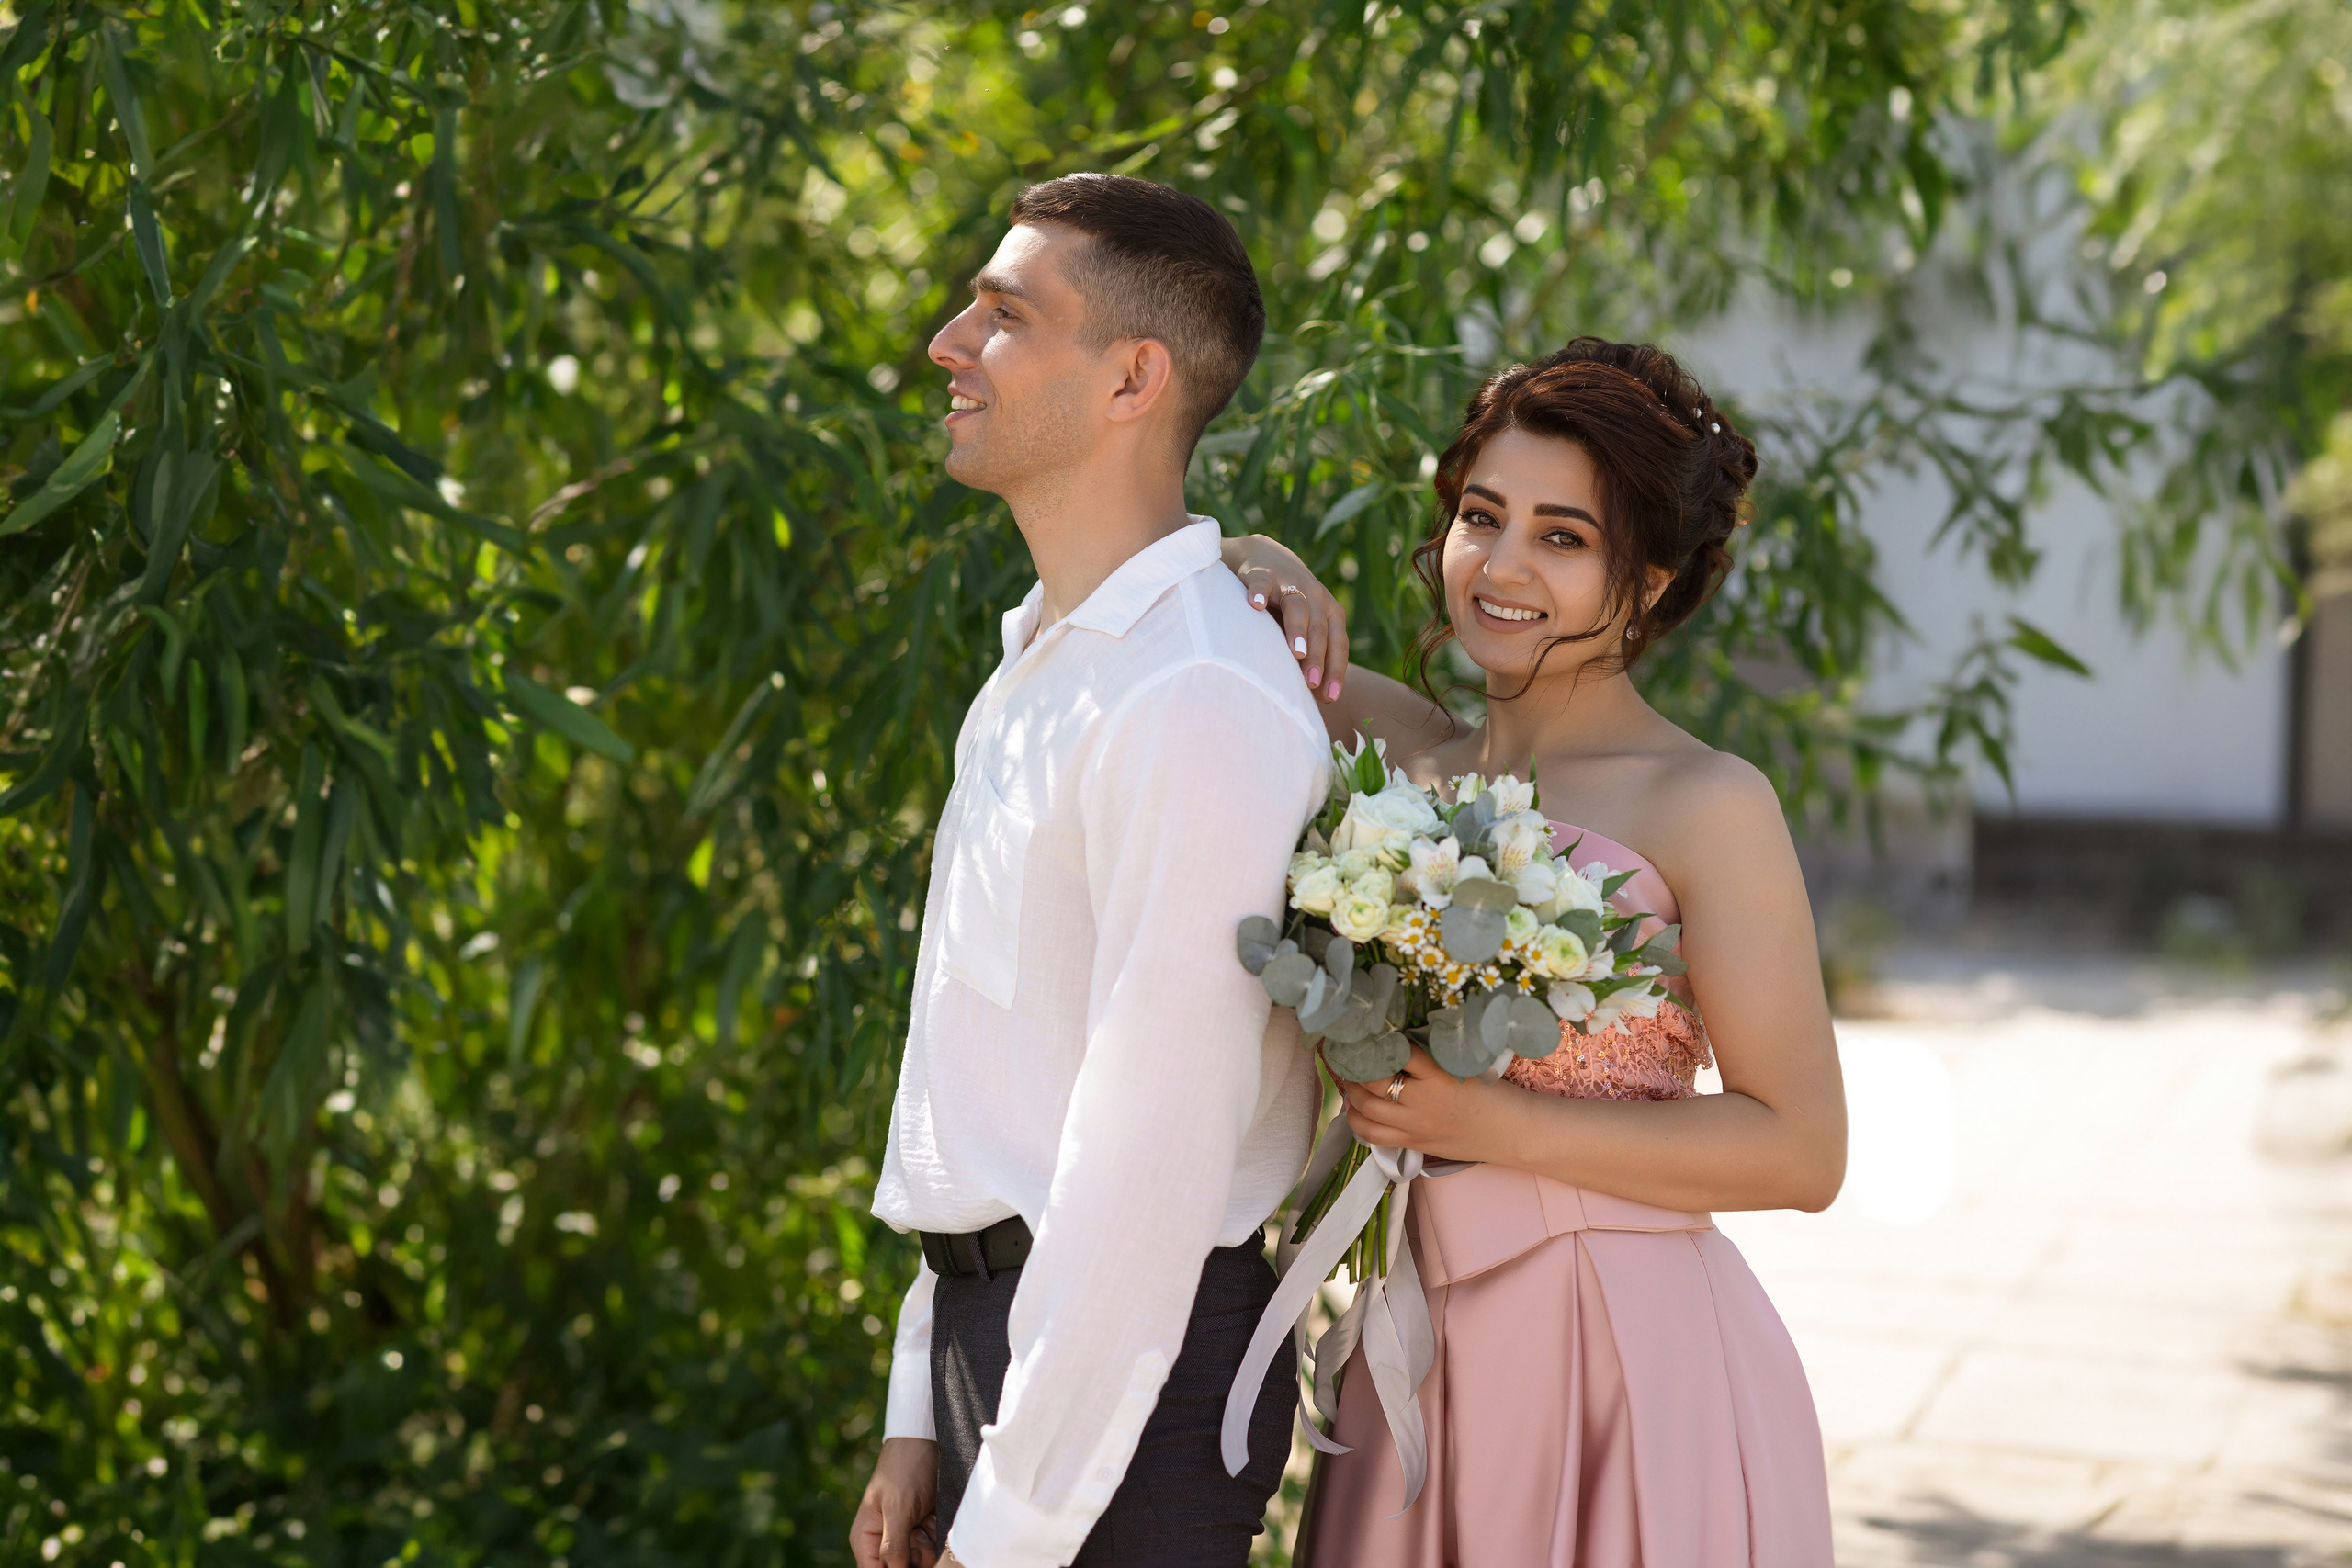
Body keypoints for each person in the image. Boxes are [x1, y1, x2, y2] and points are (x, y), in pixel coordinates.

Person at [1223, 339, 1845, 1565]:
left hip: (1626, 1353)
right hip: (1419, 1349)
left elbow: (1802, 1147)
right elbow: (1222, 599)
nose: (1500, 567)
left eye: (1563, 537)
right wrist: (1259, 564)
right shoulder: (1404, 756)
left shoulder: (1708, 803)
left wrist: (1498, 1127)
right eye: (1479, 515)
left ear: (1653, 578)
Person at [849, 175, 1330, 1568]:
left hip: (1133, 1386)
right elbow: (990, 1076)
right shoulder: (1046, 667)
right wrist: (919, 1404)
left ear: (1133, 379)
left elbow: (1145, 1176)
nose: (947, 342)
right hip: (1011, 1351)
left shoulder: (1194, 699)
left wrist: (1008, 1538)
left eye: (1003, 315)